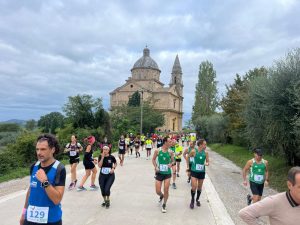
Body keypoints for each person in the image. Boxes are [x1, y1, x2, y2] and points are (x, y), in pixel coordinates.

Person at [19, 134, 66, 225]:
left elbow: (57, 200)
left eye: (43, 149)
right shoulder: (34, 166)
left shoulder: (59, 168)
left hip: (51, 220)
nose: (39, 153)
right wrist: (24, 213)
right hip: (30, 218)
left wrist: (45, 182)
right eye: (37, 149)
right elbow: (31, 190)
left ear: (52, 150)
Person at [152, 136, 174, 213]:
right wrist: (156, 167)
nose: (171, 143)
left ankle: (164, 204)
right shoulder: (158, 151)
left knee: (166, 189)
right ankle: (161, 196)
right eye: (170, 141)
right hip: (159, 173)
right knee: (157, 191)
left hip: (167, 173)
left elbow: (173, 161)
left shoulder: (171, 152)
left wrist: (171, 164)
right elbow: (153, 159)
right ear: (165, 142)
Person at [188, 139, 209, 209]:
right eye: (204, 144)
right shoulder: (194, 151)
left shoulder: (206, 153)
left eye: (206, 144)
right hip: (194, 171)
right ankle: (192, 200)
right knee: (194, 187)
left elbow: (208, 162)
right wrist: (188, 167)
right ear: (200, 145)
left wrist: (207, 163)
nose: (205, 146)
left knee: (199, 187)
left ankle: (197, 199)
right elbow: (188, 157)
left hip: (201, 172)